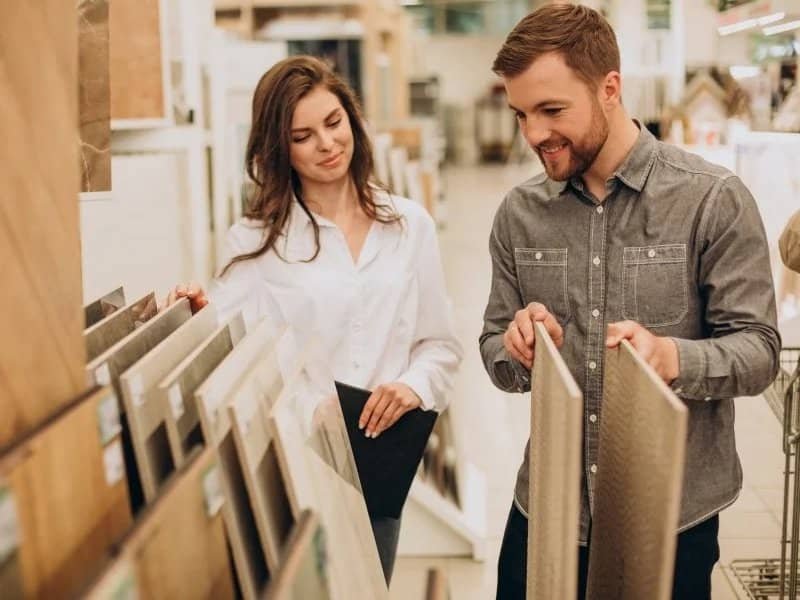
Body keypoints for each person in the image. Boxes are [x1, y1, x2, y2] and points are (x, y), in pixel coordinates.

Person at [478, 5, 780, 599]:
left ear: (609, 88)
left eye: (552, 110)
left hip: (670, 518)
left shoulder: (711, 200)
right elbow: (494, 349)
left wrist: (671, 357)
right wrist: (514, 349)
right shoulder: (520, 214)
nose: (534, 134)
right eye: (520, 114)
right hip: (548, 509)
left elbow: (759, 351)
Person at [166, 55, 462, 583]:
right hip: (297, 462)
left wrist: (412, 386)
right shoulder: (256, 243)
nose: (327, 144)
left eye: (333, 123)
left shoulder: (409, 226)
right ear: (280, 149)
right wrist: (194, 313)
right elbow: (230, 350)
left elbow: (440, 345)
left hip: (377, 461)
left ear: (352, 120)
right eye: (303, 136)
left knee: (371, 588)